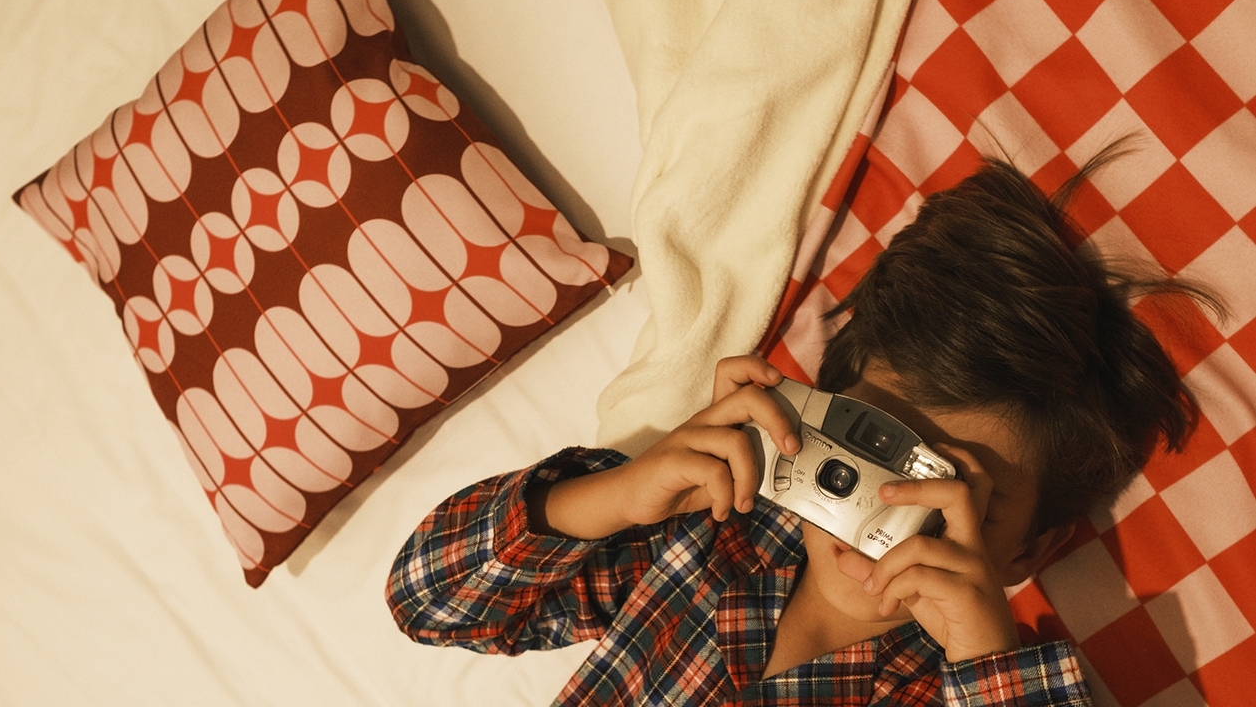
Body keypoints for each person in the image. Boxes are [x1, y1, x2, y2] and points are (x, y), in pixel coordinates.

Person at [385, 146, 1215, 705]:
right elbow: (430, 601)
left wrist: (985, 659)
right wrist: (616, 495)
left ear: (1028, 551)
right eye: (869, 446)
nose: (886, 514)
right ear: (820, 416)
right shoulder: (709, 536)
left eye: (950, 495)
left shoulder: (960, 686)